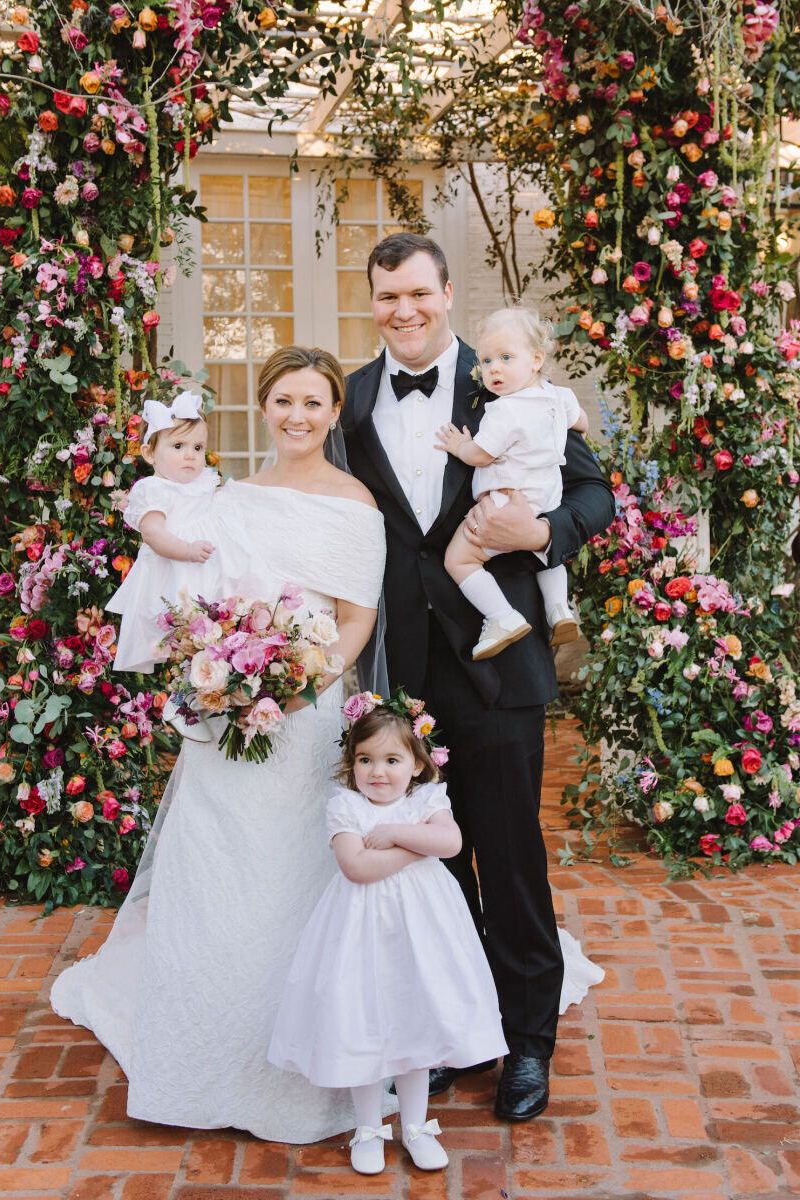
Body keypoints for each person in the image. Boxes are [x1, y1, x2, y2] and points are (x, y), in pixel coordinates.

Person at [51, 347, 388, 1143]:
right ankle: (196, 1058)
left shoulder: (355, 504)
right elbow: (193, 594)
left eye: (313, 403)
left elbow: (355, 619)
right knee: (211, 866)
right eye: (283, 401)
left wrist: (304, 683)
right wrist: (220, 669)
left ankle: (291, 1059)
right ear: (263, 408)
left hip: (305, 712)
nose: (298, 417)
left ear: (334, 413)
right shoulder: (229, 499)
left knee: (289, 871)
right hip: (225, 705)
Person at [342, 232, 614, 1121]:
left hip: (499, 663)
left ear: (446, 292)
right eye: (387, 297)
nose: (403, 311)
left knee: (507, 853)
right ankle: (463, 1025)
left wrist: (539, 539)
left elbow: (591, 495)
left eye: (418, 293)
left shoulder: (505, 378)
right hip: (401, 674)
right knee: (434, 864)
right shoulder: (350, 400)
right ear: (372, 300)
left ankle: (529, 1040)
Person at [268, 696, 508, 1175]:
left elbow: (453, 842)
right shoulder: (346, 806)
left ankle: (416, 1126)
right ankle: (369, 1126)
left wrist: (398, 835)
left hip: (422, 934)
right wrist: (416, 846)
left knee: (414, 1018)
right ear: (351, 763)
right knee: (362, 1019)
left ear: (417, 765)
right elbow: (357, 867)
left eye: (392, 760)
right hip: (359, 931)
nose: (378, 772)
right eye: (365, 760)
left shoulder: (426, 800)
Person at [435, 306, 588, 660]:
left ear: (536, 359)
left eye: (505, 357)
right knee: (545, 554)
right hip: (545, 499)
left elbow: (482, 454)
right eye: (486, 360)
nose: (494, 369)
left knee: (459, 559)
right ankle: (558, 610)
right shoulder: (559, 397)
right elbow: (579, 422)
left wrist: (460, 446)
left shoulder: (504, 410)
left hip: (505, 502)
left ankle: (501, 617)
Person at [106, 390, 221, 674]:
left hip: (209, 567)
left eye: (197, 448)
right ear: (149, 453)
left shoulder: (203, 482)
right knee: (180, 642)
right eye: (179, 446)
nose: (191, 456)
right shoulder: (154, 489)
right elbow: (153, 534)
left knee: (212, 637)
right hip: (176, 570)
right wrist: (187, 550)